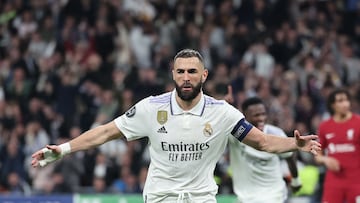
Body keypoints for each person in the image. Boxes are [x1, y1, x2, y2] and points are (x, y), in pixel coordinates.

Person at [31, 49, 321, 203]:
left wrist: (295, 144)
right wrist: (65, 149)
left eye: (192, 72)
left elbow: (264, 142)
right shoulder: (150, 108)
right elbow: (107, 131)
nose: (185, 77)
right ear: (173, 73)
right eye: (180, 71)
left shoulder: (222, 113)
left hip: (201, 198)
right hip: (161, 198)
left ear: (204, 75)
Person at [227, 97, 302, 203]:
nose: (261, 118)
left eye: (263, 114)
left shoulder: (275, 133)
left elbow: (289, 156)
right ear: (244, 116)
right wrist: (226, 108)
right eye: (256, 115)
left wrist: (296, 180)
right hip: (245, 198)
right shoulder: (234, 135)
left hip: (273, 196)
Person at [314, 88, 360, 203]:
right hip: (333, 182)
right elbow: (317, 154)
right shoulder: (325, 126)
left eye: (346, 100)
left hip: (356, 181)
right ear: (332, 105)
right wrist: (325, 159)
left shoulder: (358, 123)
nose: (345, 104)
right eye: (340, 101)